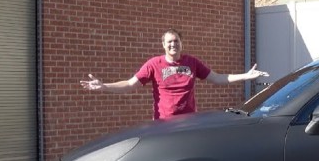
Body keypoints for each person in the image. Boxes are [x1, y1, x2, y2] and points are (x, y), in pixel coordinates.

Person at [79, 28, 269, 120]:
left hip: (189, 121)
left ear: (181, 43)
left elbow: (218, 78)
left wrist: (245, 76)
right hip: (163, 123)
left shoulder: (191, 62)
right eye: (169, 42)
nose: (173, 44)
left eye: (176, 41)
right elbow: (130, 84)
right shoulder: (154, 64)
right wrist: (104, 86)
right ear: (163, 45)